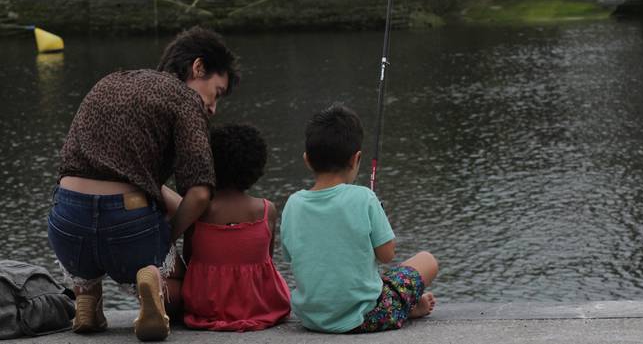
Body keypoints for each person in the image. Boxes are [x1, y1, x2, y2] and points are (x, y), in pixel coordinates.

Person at [46, 26, 238, 341]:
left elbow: (111, 170)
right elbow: (201, 193)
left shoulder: (109, 82)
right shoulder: (183, 100)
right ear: (198, 67)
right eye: (216, 92)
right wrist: (167, 237)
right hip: (127, 228)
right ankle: (155, 290)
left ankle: (87, 296)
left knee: (88, 247)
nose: (214, 108)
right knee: (186, 286)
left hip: (67, 221)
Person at [280, 104, 439, 334]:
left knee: (371, 279)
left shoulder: (293, 204)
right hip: (366, 316)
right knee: (427, 261)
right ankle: (403, 308)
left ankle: (405, 307)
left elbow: (290, 255)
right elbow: (386, 255)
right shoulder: (364, 197)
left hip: (312, 318)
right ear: (356, 159)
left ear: (307, 160)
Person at [162, 124, 290, 332]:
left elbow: (191, 256)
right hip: (258, 304)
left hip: (206, 305)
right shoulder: (267, 210)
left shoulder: (200, 212)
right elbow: (266, 259)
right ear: (257, 167)